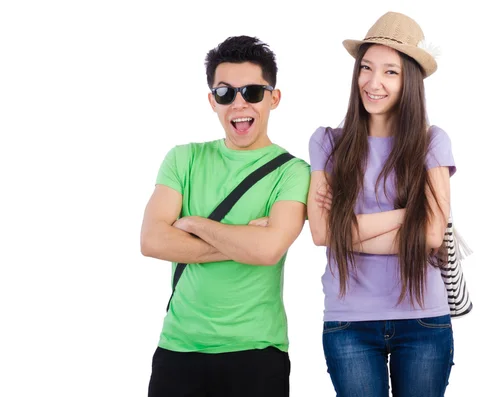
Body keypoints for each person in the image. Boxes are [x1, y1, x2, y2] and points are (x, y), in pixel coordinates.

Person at [141, 35, 310, 397]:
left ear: (273, 98)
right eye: (225, 93)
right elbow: (153, 240)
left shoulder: (293, 171)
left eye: (252, 91)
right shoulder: (183, 158)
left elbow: (267, 252)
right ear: (211, 101)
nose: (238, 103)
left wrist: (192, 225)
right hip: (178, 348)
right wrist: (246, 240)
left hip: (258, 353)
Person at [307, 12, 456, 397]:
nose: (373, 82)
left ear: (410, 82)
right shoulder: (327, 143)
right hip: (349, 323)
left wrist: (349, 229)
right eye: (367, 68)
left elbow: (432, 234)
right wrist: (408, 214)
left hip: (422, 321)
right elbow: (322, 233)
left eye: (390, 72)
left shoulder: (432, 141)